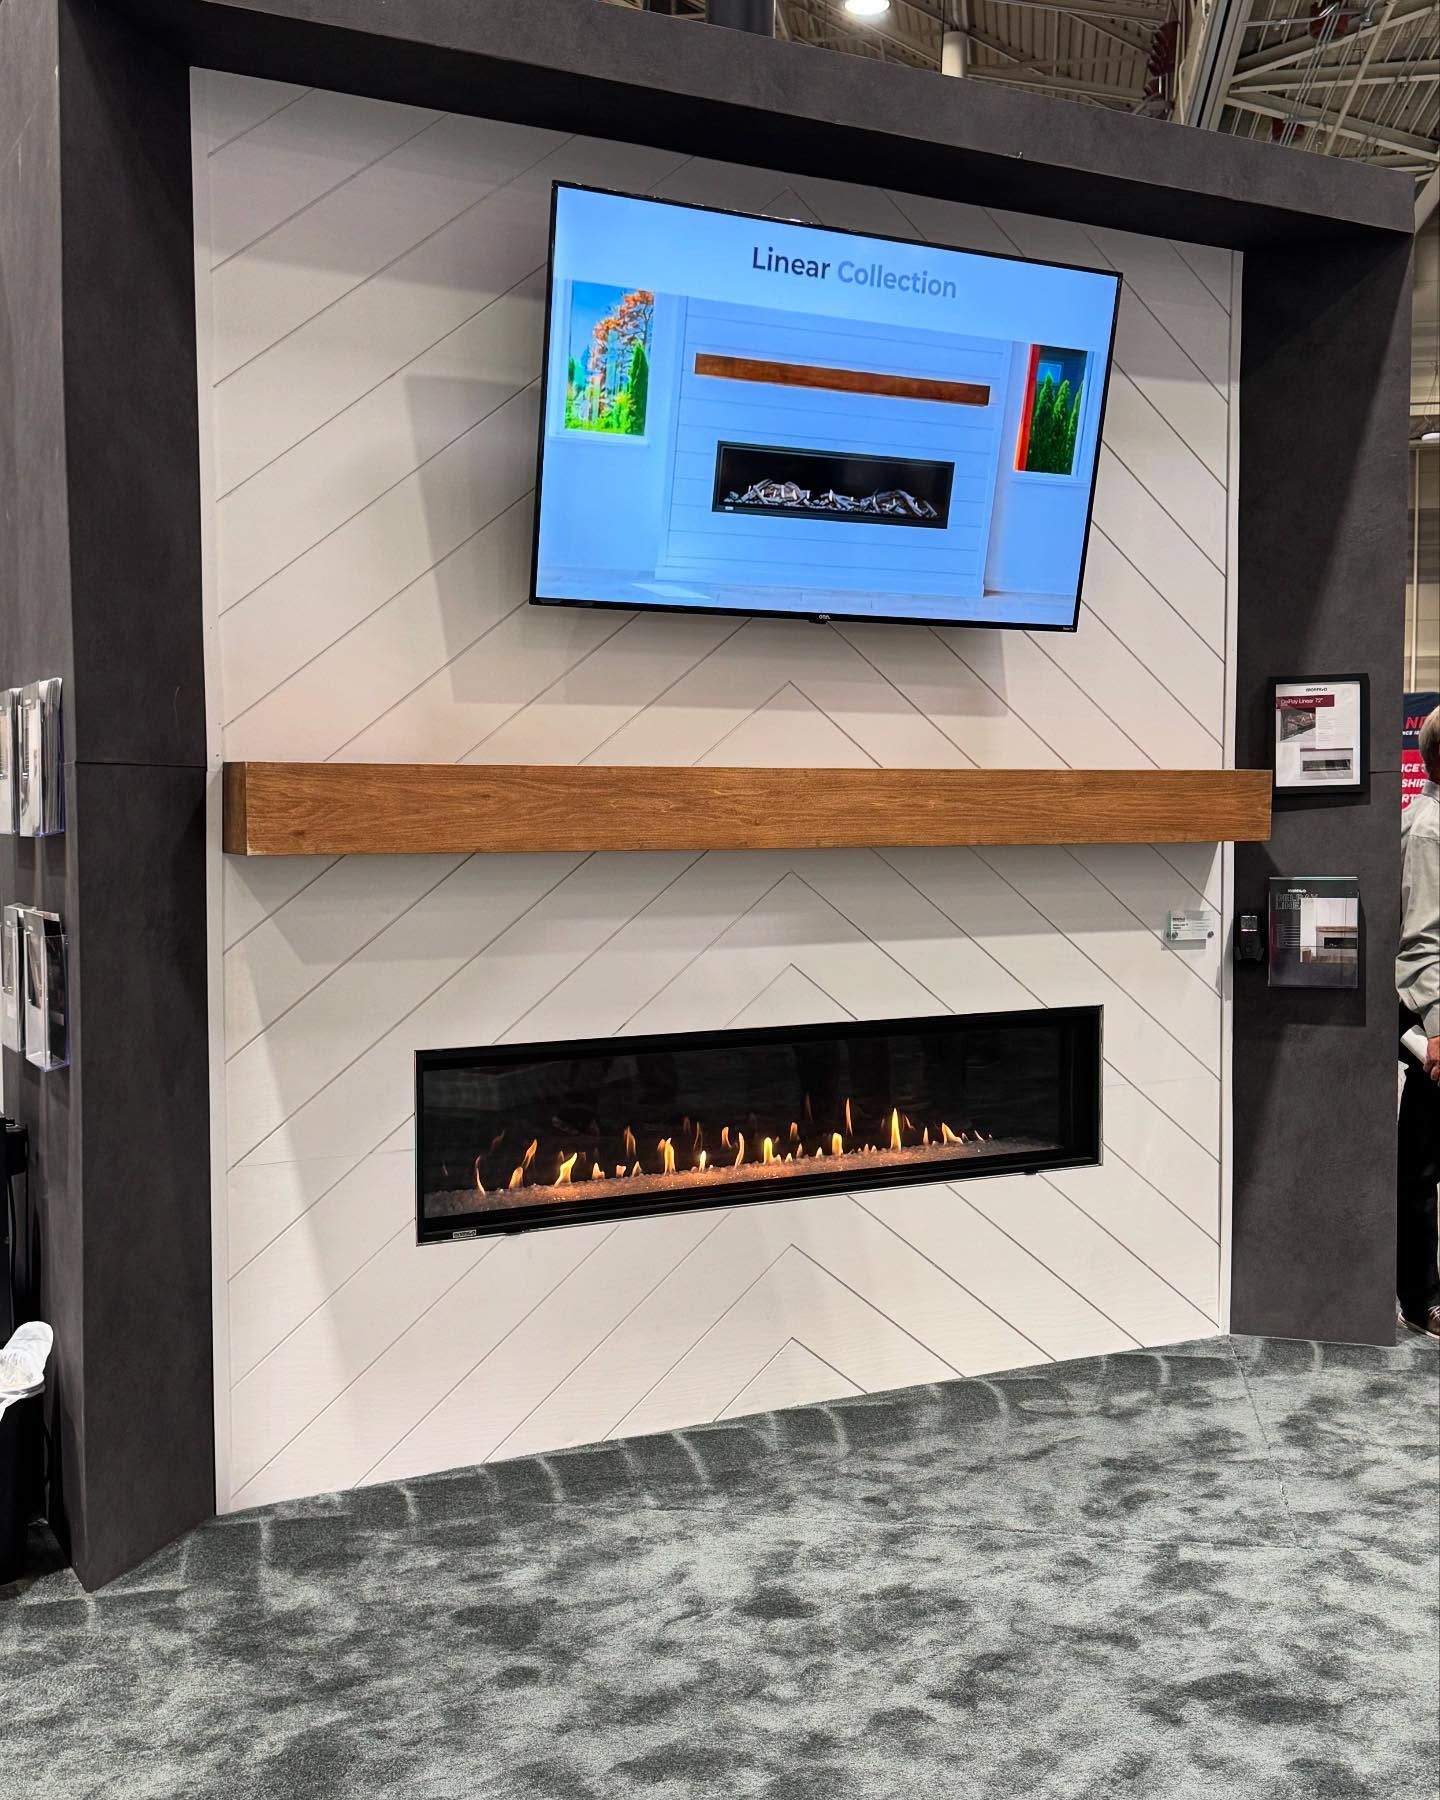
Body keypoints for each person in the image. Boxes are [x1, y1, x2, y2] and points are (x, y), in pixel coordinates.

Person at [1397, 704, 1440, 1338]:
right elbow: (1422, 943)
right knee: (1424, 1167)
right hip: (1436, 1023)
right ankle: (1422, 1297)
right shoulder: (1428, 830)